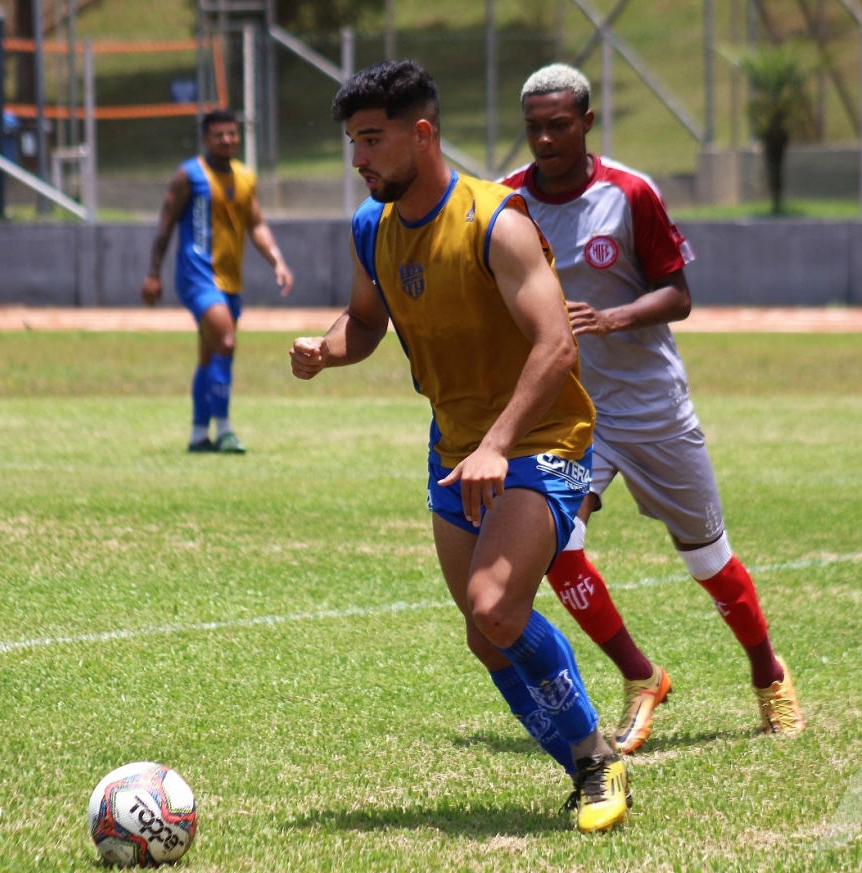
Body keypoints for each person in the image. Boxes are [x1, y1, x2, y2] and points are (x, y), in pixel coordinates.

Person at [289, 60, 629, 834]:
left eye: (372, 140)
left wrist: (498, 445)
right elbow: (366, 321)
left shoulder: (494, 222)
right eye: (351, 142)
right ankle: (586, 761)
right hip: (456, 446)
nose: (358, 159)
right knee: (488, 634)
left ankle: (595, 757)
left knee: (493, 603)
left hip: (541, 437)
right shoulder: (370, 228)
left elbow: (555, 350)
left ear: (423, 133)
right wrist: (328, 349)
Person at [501, 64, 805, 751]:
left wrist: (612, 318)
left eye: (558, 125)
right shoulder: (508, 202)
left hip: (649, 406)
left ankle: (768, 672)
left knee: (707, 558)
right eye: (533, 127)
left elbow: (679, 294)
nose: (544, 139)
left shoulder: (629, 193)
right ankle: (642, 676)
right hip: (571, 413)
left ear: (585, 122)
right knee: (557, 545)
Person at [142, 109, 294, 454]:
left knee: (210, 355)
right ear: (205, 139)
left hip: (230, 281)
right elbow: (165, 225)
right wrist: (153, 273)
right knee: (226, 342)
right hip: (197, 278)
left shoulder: (244, 177)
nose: (227, 140)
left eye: (231, 134)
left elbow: (255, 224)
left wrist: (278, 261)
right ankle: (225, 430)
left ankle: (198, 434)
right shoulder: (189, 176)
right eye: (219, 135)